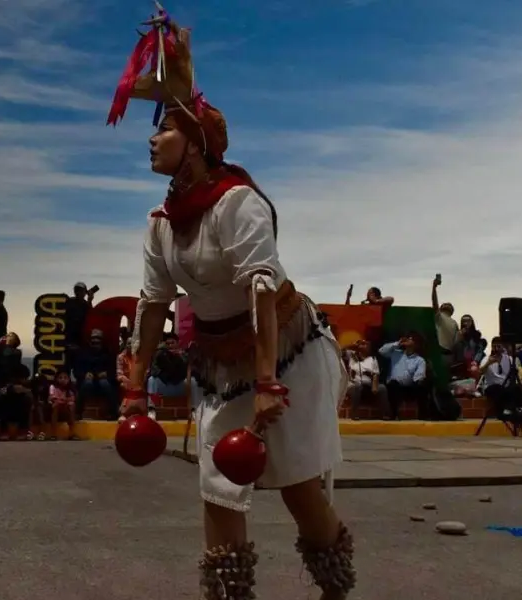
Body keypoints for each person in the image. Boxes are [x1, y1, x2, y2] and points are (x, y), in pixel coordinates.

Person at [111, 10, 353, 597]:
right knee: (219, 483)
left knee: (297, 486)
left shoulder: (238, 203)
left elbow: (261, 291)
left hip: (289, 358)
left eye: (165, 129)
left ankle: (335, 585)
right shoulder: (161, 226)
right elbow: (151, 305)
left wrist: (269, 382)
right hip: (222, 365)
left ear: (196, 143)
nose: (151, 137)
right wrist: (134, 385)